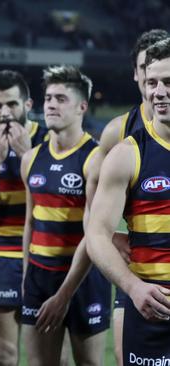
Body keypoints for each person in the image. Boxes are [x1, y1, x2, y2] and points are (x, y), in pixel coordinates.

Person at [87, 38, 170, 366]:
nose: (159, 93)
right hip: (150, 308)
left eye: (169, 82)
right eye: (152, 83)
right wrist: (132, 287)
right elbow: (96, 235)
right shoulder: (127, 154)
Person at [20, 65, 109, 365]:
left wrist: (64, 295)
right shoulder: (31, 158)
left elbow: (95, 234)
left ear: (82, 106)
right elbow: (30, 222)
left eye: (60, 98)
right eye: (47, 99)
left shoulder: (96, 159)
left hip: (84, 279)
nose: (51, 105)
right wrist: (25, 277)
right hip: (39, 275)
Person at [0, 69, 48, 366]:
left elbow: (53, 203)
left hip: (43, 253)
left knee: (51, 357)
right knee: (3, 355)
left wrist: (27, 156)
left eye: (12, 105)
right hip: (2, 253)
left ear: (28, 105)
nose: (4, 113)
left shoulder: (48, 140)